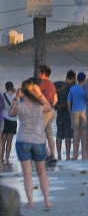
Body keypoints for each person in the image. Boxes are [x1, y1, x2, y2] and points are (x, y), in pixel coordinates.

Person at [12, 80, 53, 208]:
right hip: (38, 140)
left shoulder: (20, 105)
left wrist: (16, 97)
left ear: (23, 92)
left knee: (27, 174)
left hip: (23, 139)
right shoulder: (39, 105)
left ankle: (31, 202)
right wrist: (39, 93)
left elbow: (11, 113)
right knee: (42, 172)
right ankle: (47, 201)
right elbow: (49, 107)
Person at [34, 66, 57, 165]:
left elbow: (35, 94)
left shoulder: (43, 83)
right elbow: (56, 99)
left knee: (38, 133)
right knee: (49, 134)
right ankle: (53, 155)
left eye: (38, 71)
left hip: (45, 111)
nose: (37, 73)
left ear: (43, 73)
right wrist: (50, 106)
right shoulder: (51, 84)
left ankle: (47, 155)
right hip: (52, 110)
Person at [54, 71, 75, 161]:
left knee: (59, 134)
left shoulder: (58, 84)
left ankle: (58, 155)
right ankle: (67, 155)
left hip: (59, 111)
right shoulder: (73, 87)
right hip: (68, 113)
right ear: (74, 78)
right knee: (68, 135)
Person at [68, 72, 88, 160]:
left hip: (75, 110)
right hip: (84, 111)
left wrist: (70, 112)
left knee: (75, 133)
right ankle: (84, 154)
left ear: (77, 79)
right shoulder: (85, 88)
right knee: (84, 133)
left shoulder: (73, 88)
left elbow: (69, 102)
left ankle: (75, 154)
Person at [2, 82, 18, 166]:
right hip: (13, 120)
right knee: (9, 141)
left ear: (5, 87)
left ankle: (1, 157)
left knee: (2, 140)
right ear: (12, 87)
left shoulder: (3, 95)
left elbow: (2, 107)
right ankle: (7, 158)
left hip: (4, 118)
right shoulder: (16, 96)